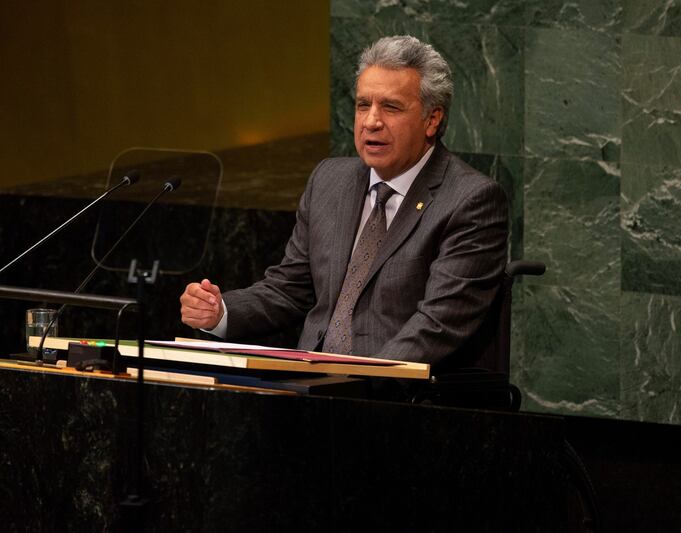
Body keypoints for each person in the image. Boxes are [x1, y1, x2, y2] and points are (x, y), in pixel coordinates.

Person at [180, 35, 508, 367]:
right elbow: (290, 290)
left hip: (400, 401)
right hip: (312, 388)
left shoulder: (469, 200)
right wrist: (220, 312)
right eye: (363, 105)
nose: (371, 121)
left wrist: (356, 379)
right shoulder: (330, 181)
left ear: (432, 119)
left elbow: (438, 324)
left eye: (390, 107)